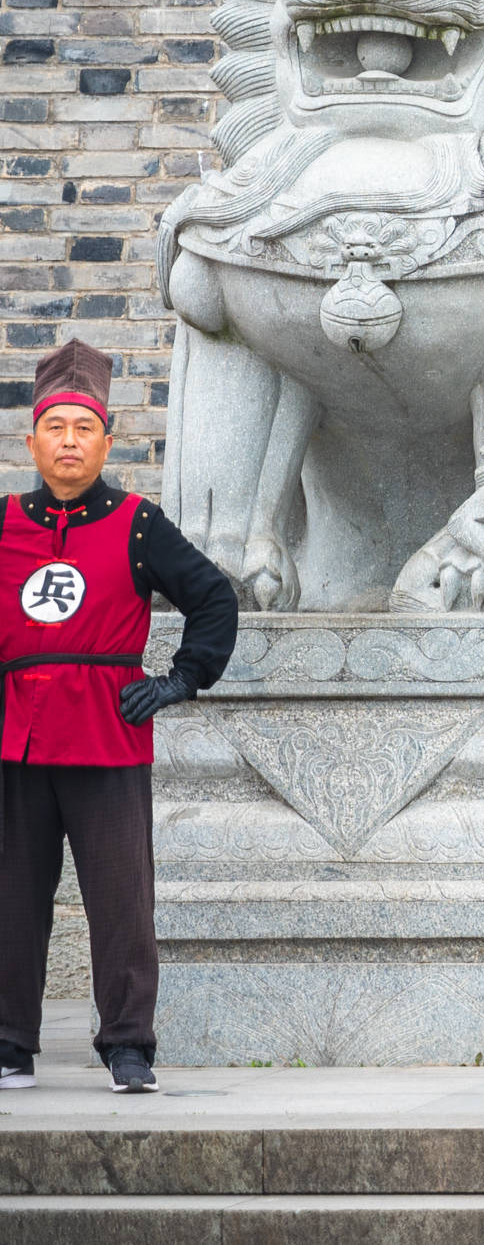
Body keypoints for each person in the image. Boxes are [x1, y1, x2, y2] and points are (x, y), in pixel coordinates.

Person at [0, 343, 238, 1095]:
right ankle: (9, 1040)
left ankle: (128, 1043)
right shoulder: (3, 523)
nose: (69, 439)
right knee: (10, 895)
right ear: (32, 440)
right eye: (56, 426)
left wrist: (180, 680)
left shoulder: (137, 524)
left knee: (121, 898)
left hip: (108, 737)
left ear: (107, 441)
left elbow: (214, 598)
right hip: (17, 739)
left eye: (84, 427)